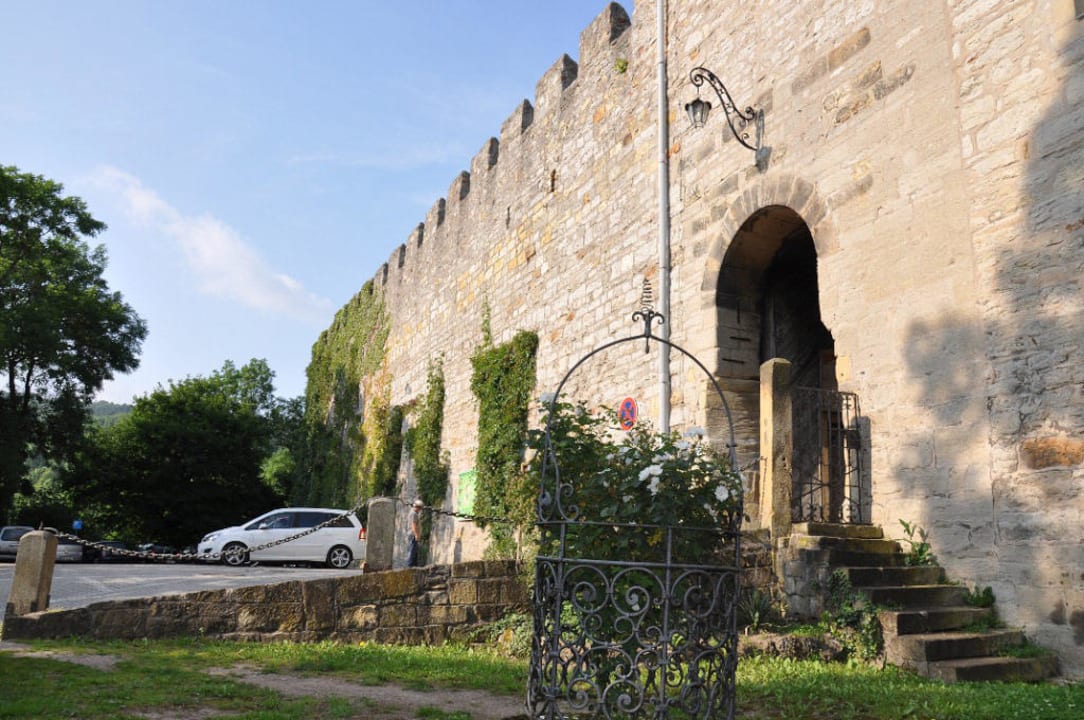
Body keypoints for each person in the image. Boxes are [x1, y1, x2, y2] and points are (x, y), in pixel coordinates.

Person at [406, 498, 423, 567]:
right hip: (413, 535)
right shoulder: (414, 514)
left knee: (414, 551)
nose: (420, 510)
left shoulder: (412, 513)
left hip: (412, 534)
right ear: (418, 507)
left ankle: (414, 566)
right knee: (412, 551)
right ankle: (409, 566)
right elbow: (414, 525)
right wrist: (416, 535)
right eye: (420, 508)